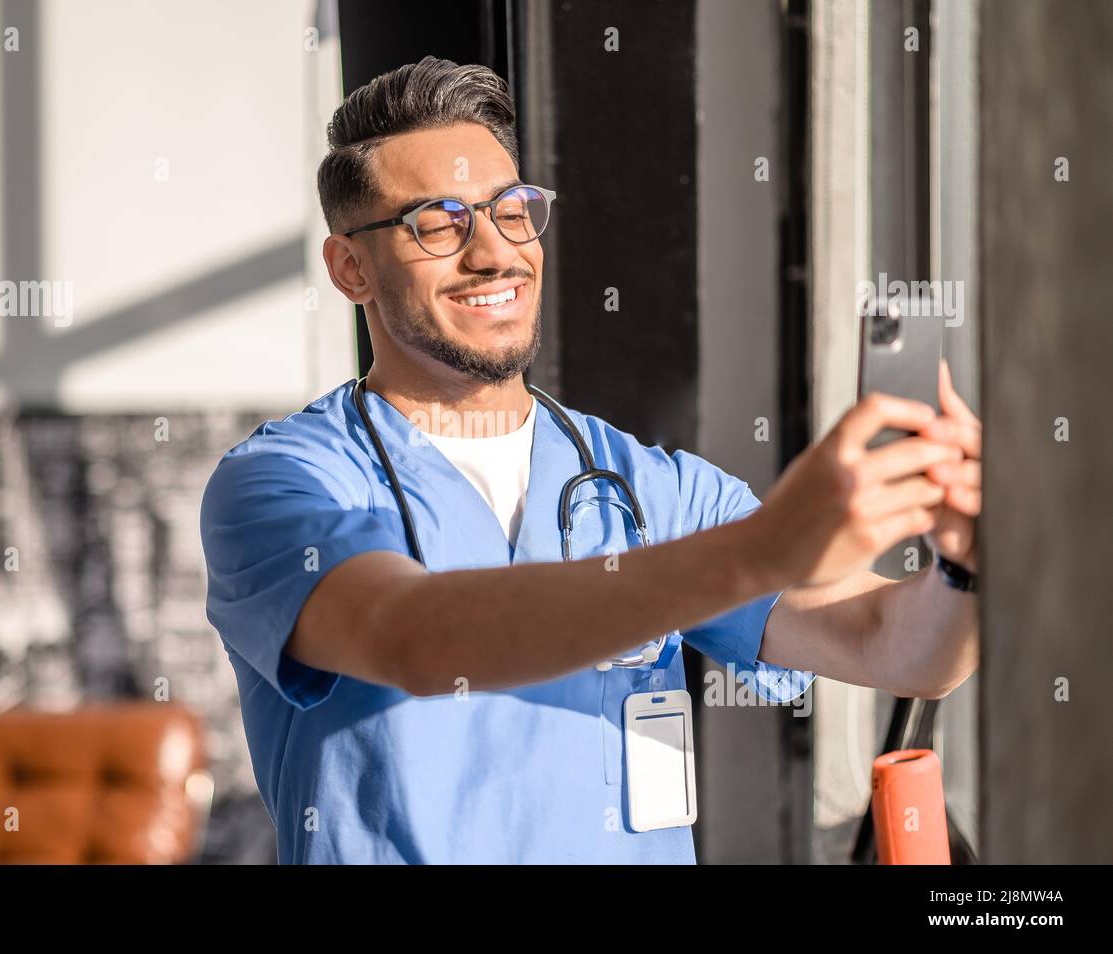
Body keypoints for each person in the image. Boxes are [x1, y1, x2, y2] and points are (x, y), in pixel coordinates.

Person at [200, 56, 981, 864]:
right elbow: (413, 638)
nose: (493, 253)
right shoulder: (282, 485)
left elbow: (896, 647)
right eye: (438, 223)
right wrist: (766, 549)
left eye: (511, 211)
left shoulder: (651, 490)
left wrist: (971, 564)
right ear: (350, 268)